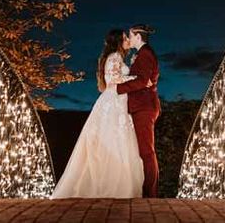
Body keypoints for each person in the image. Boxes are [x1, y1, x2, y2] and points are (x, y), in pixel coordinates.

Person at [50, 29, 144, 198]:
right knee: (114, 139)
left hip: (116, 100)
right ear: (118, 42)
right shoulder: (115, 56)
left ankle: (113, 183)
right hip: (113, 102)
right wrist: (136, 79)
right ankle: (112, 186)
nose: (127, 41)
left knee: (115, 140)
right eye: (124, 38)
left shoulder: (117, 57)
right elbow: (113, 80)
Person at [116, 24, 161, 198]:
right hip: (141, 106)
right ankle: (148, 191)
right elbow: (143, 79)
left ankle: (150, 194)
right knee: (143, 150)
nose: (128, 38)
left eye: (130, 35)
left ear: (138, 36)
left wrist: (118, 88)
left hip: (144, 107)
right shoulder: (143, 54)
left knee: (146, 151)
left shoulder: (146, 54)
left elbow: (143, 81)